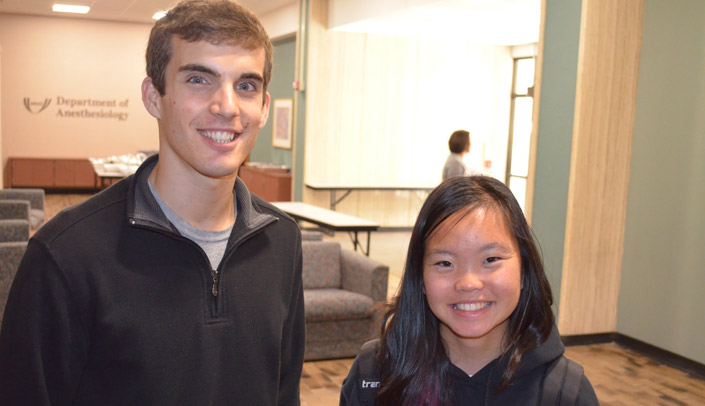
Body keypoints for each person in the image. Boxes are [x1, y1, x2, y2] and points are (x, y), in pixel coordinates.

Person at [0, 1, 305, 405]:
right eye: (199, 79)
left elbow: (284, 394)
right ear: (153, 96)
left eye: (246, 85)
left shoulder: (281, 242)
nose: (227, 106)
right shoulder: (65, 256)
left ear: (264, 108)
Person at [340, 176, 599, 405]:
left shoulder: (565, 393)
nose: (468, 283)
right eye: (445, 263)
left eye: (491, 260)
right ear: (420, 278)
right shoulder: (373, 375)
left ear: (524, 270)